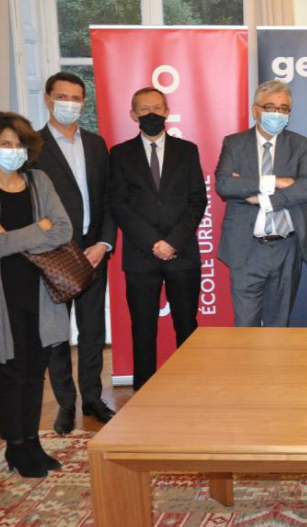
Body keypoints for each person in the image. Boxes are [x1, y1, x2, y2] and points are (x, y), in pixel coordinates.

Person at [0, 112, 73, 477]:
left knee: (35, 370)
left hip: (41, 291)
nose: (14, 150)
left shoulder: (39, 181)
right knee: (10, 371)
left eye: (19, 144)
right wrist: (40, 227)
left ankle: (33, 443)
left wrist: (13, 234)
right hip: (2, 295)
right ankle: (16, 447)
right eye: (6, 144)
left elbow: (64, 230)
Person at [33, 71, 117, 434]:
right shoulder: (32, 147)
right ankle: (66, 405)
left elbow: (109, 198)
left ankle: (93, 399)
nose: (70, 104)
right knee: (56, 335)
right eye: (62, 97)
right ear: (48, 99)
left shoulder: (97, 144)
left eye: (76, 98)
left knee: (92, 330)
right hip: (53, 255)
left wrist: (103, 243)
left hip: (93, 251)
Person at [108, 88, 207, 390]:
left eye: (157, 108)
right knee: (143, 329)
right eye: (144, 109)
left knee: (187, 326)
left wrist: (173, 242)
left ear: (166, 111)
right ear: (133, 114)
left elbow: (197, 200)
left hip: (182, 253)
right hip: (141, 256)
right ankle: (143, 390)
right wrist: (153, 242)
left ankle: (190, 386)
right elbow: (119, 204)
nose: (151, 113)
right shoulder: (120, 153)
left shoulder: (187, 150)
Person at [214, 80, 307, 326]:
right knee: (246, 326)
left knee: (278, 326)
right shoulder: (234, 143)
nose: (277, 113)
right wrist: (275, 181)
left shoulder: (299, 144)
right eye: (270, 107)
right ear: (255, 110)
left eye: (284, 109)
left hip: (287, 248)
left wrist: (263, 199)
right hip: (247, 248)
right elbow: (225, 185)